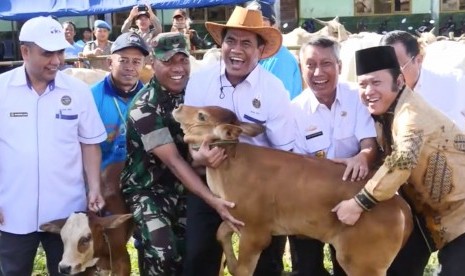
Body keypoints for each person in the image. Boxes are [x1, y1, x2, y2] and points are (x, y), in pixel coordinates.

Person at [332, 45, 465, 276]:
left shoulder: (411, 115)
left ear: (400, 81)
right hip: (424, 218)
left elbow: (402, 161)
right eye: (362, 85)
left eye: (376, 83)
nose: (368, 91)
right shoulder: (383, 114)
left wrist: (358, 203)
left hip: (461, 216)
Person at [184, 6, 295, 276]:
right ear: (221, 44)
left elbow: (284, 151)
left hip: (262, 192)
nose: (236, 49)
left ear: (260, 50)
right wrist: (198, 156)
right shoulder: (199, 81)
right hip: (209, 185)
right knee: (198, 256)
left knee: (266, 265)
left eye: (246, 43)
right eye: (230, 40)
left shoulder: (273, 89)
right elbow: (190, 135)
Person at [120, 32, 242, 275]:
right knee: (163, 253)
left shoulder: (196, 95)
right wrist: (213, 200)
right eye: (168, 61)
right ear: (152, 63)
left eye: (183, 60)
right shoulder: (144, 107)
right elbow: (175, 162)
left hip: (189, 188)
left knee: (199, 253)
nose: (178, 68)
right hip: (150, 190)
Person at [0, 16, 106, 276]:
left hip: (67, 212)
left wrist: (94, 187)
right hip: (12, 209)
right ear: (25, 51)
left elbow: (90, 144)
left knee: (69, 272)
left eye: (59, 51)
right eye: (47, 53)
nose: (56, 60)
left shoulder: (78, 91)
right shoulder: (2, 90)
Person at [289, 36, 378, 276]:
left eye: (326, 63)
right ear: (301, 68)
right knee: (307, 269)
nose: (318, 72)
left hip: (352, 196)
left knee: (348, 266)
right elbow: (298, 164)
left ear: (339, 66)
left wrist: (362, 157)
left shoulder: (357, 97)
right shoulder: (293, 111)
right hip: (309, 198)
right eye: (310, 64)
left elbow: (368, 143)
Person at [91, 32, 149, 199]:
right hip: (99, 184)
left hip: (141, 183)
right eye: (123, 60)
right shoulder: (91, 97)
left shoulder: (150, 97)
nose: (130, 67)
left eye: (136, 61)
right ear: (110, 62)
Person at [380, 30, 465, 131]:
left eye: (397, 67)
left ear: (418, 60)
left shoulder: (453, 83)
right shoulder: (374, 92)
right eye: (384, 68)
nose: (390, 75)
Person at [245, 1, 302, 99]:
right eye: (251, 21)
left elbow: (275, 103)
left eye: (262, 20)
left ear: (273, 26)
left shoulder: (280, 59)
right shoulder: (254, 56)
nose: (256, 26)